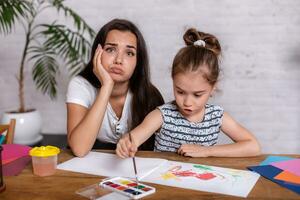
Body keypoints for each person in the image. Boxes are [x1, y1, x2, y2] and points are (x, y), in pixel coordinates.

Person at [116, 28, 261, 158]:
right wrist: (126, 143)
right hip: (166, 183)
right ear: (173, 81)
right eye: (180, 92)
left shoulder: (217, 117)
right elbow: (134, 138)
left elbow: (253, 146)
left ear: (213, 87)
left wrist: (207, 151)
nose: (187, 102)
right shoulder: (162, 115)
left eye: (197, 95)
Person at [66, 19, 164, 157]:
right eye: (111, 49)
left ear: (138, 61)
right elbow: (79, 148)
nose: (118, 60)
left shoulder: (150, 95)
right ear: (97, 52)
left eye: (129, 53)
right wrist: (106, 86)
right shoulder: (81, 86)